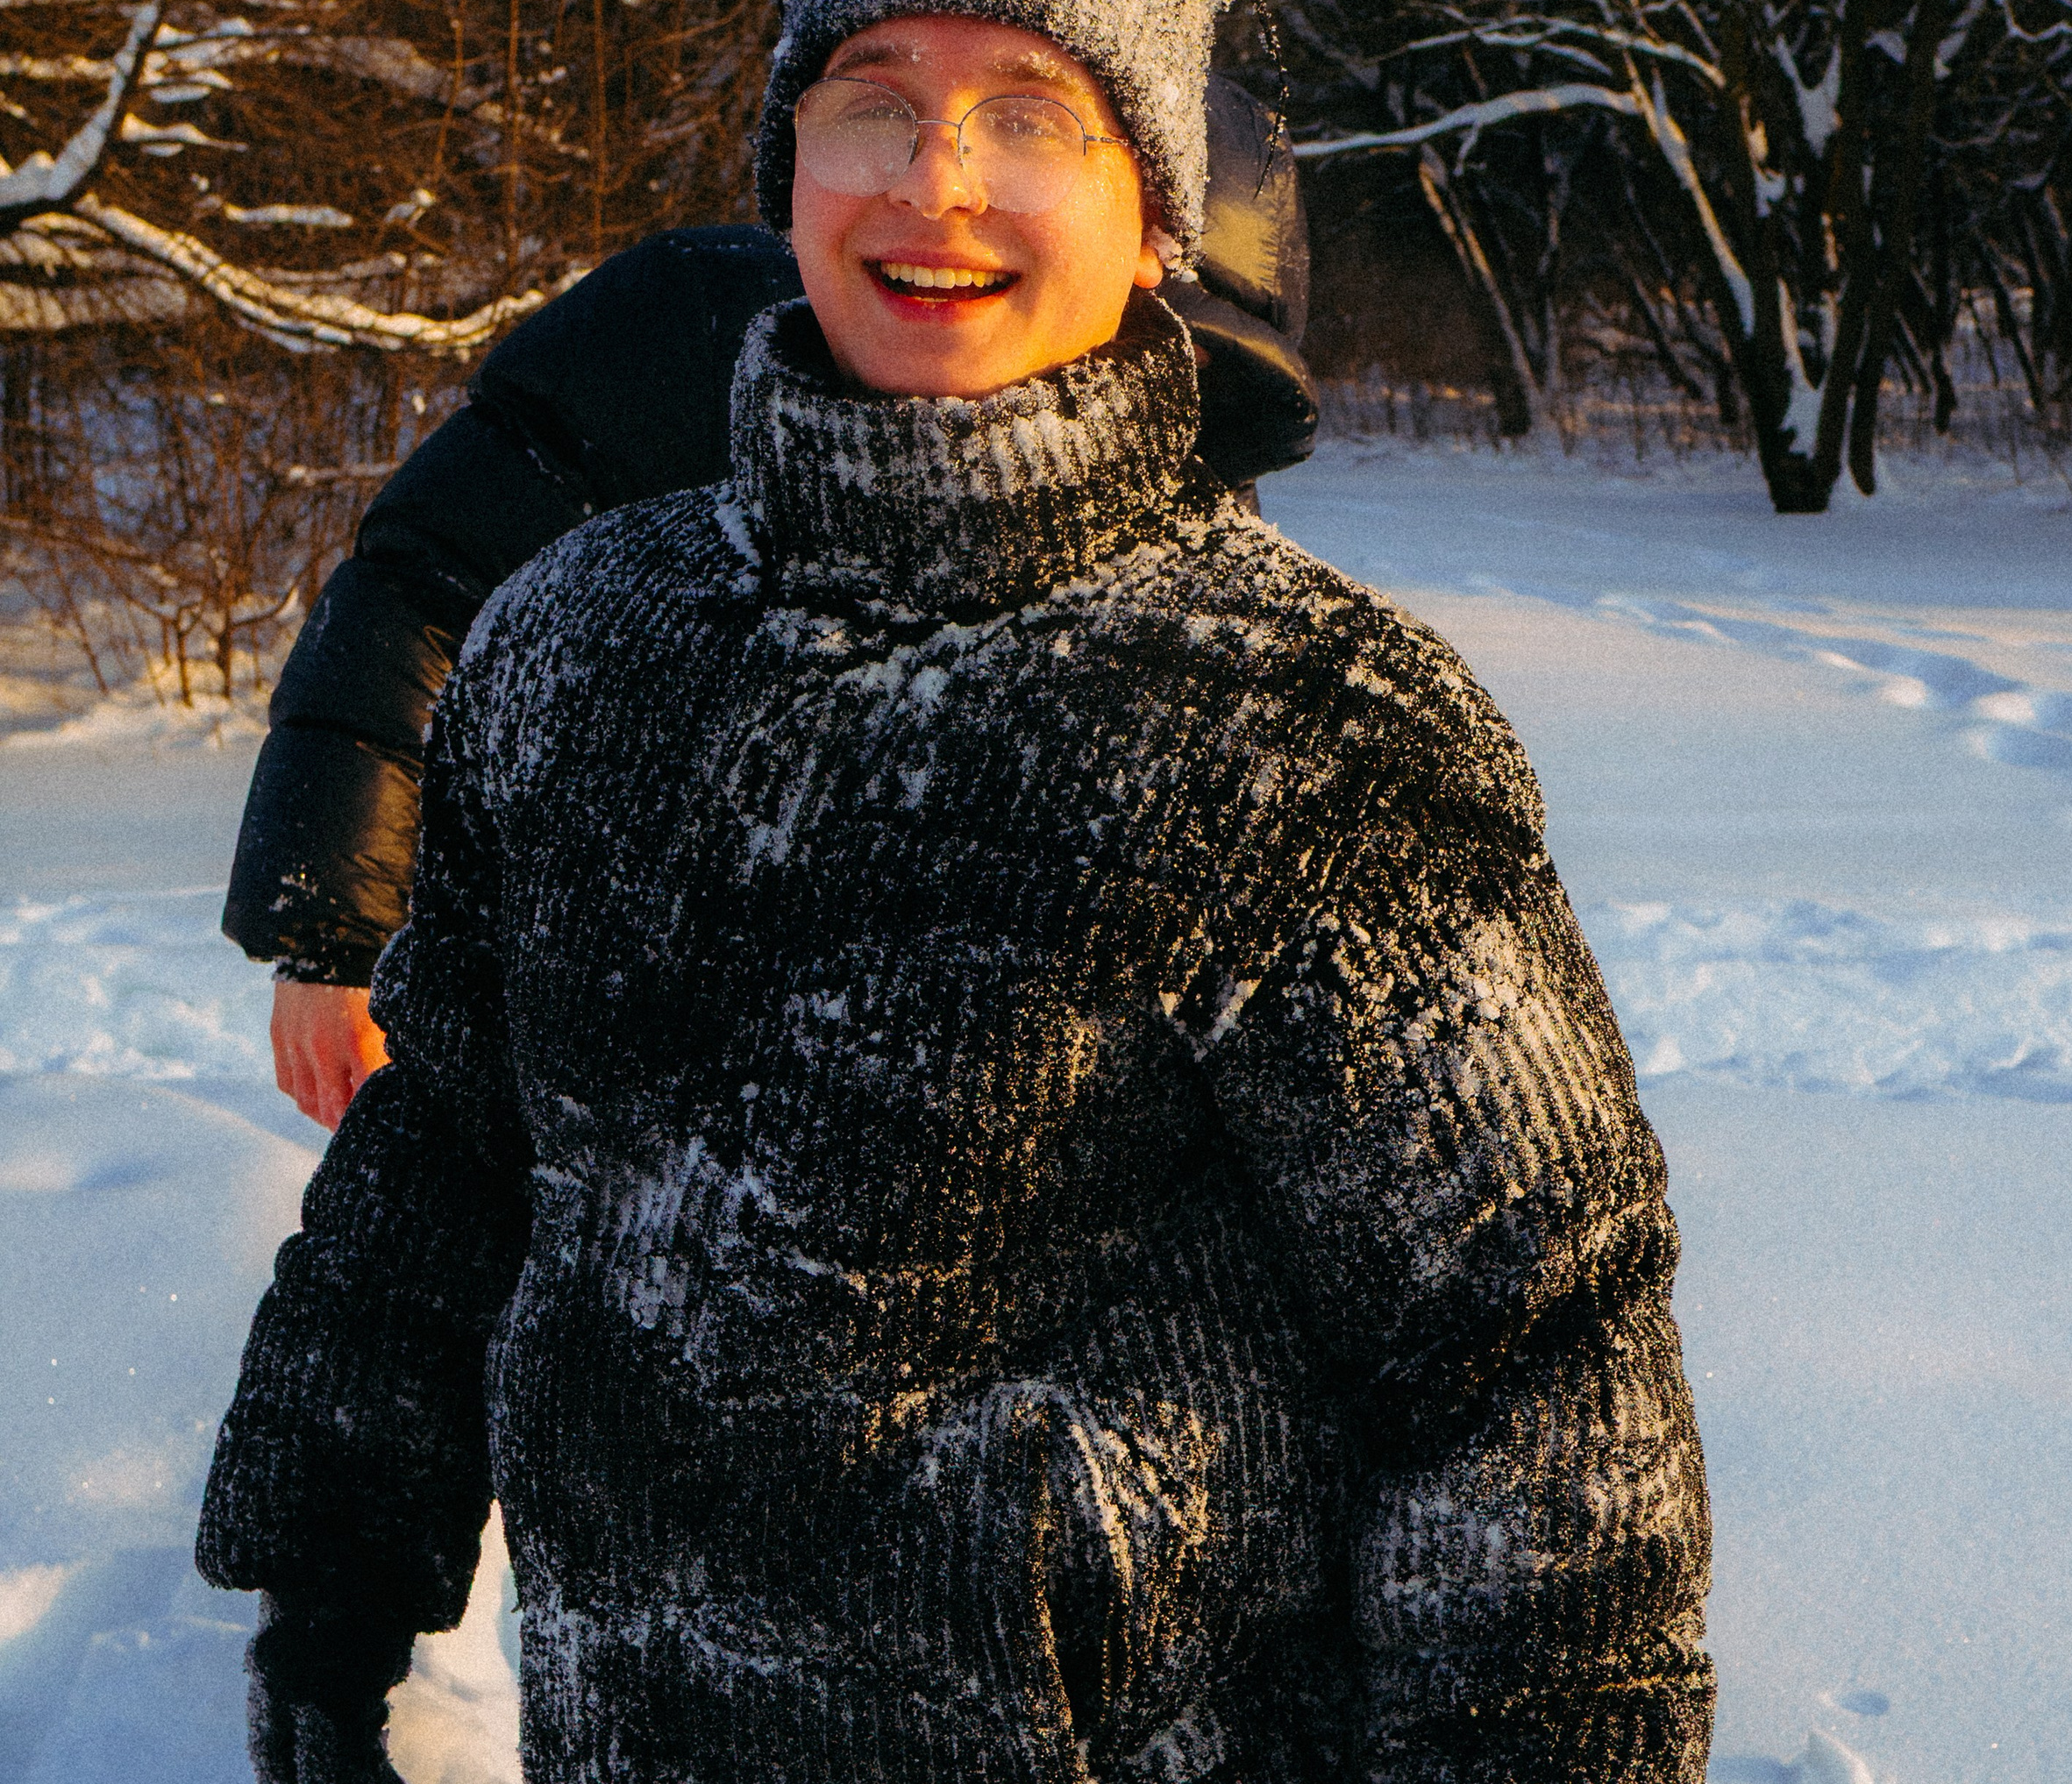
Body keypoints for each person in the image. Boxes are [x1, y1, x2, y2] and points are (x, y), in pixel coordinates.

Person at [198, 0, 1714, 1784]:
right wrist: (337, 1570)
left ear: (1155, 209)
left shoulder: (1297, 722)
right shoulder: (579, 648)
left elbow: (1527, 1335)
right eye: (868, 97)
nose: (934, 177)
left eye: (1033, 112)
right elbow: (447, 1173)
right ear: (778, 168)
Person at [222, 65, 1314, 1131]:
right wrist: (337, 929)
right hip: (594, 1015)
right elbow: (426, 587)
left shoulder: (1211, 555)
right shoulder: (687, 333)